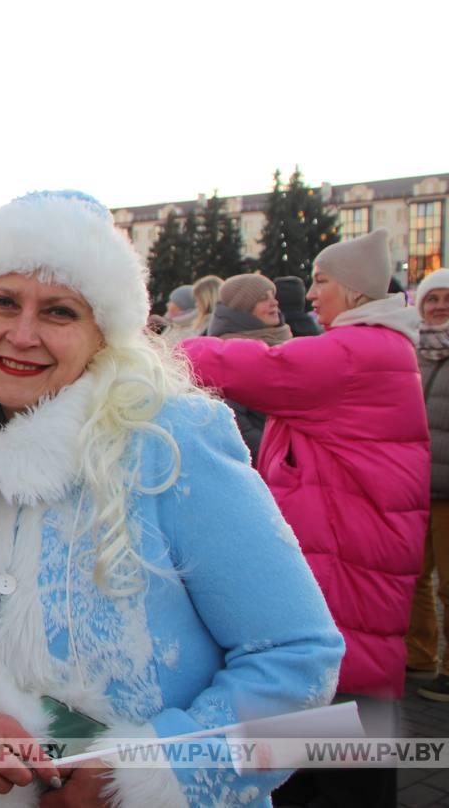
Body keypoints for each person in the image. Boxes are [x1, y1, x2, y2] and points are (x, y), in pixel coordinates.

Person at [0, 191, 343, 808]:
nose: (22, 334)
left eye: (59, 311)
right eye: (2, 302)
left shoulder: (170, 444)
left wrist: (142, 774)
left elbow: (299, 659)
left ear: (102, 334)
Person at [182, 228, 428, 807]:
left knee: (335, 732)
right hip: (351, 562)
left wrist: (159, 348)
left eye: (320, 281)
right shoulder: (379, 349)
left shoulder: (356, 352)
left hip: (344, 578)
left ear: (356, 290)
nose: (310, 295)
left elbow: (255, 368)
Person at [407, 267, 449, 703]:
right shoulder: (414, 352)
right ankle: (419, 656)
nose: (438, 308)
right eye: (431, 299)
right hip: (419, 484)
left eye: (446, 300)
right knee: (416, 577)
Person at [201, 273, 291, 458]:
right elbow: (236, 420)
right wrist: (278, 455)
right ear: (244, 308)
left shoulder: (283, 339)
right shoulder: (228, 352)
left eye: (273, 296)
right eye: (263, 299)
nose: (274, 303)